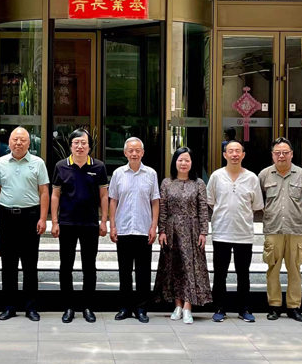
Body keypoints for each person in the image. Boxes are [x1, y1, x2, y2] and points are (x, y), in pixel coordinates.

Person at [0, 127, 49, 322]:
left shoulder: (38, 163)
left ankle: (31, 307)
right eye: (15, 139)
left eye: (22, 140)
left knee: (30, 264)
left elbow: (44, 192)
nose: (18, 143)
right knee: (8, 264)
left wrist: (43, 218)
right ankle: (9, 307)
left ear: (29, 143)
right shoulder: (0, 163)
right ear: (9, 142)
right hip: (7, 217)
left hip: (30, 217)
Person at [51, 128, 109, 323]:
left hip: (90, 224)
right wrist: (55, 222)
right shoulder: (61, 166)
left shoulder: (98, 167)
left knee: (89, 266)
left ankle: (88, 307)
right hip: (67, 223)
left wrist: (104, 221)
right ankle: (68, 307)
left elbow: (104, 196)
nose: (80, 146)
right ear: (70, 146)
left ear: (89, 146)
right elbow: (55, 195)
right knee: (65, 266)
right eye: (76, 143)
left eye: (84, 143)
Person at [258, 137, 302, 322]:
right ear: (272, 155)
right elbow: (259, 200)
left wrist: (294, 212)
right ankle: (274, 306)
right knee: (272, 269)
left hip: (295, 229)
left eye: (285, 152)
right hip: (273, 229)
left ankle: (294, 307)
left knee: (294, 269)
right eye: (278, 153)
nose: (281, 156)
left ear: (291, 154)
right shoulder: (264, 175)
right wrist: (272, 212)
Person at [208, 140, 264, 323]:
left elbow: (256, 205)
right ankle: (219, 308)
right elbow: (211, 202)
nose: (234, 154)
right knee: (220, 273)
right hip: (221, 232)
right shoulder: (216, 176)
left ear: (243, 155)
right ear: (224, 155)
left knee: (243, 274)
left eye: (237, 151)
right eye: (230, 151)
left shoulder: (252, 178)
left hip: (243, 233)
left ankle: (244, 309)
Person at [154, 147, 211, 324]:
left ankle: (188, 306)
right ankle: (177, 305)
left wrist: (203, 232)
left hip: (192, 229)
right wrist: (161, 231)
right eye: (180, 160)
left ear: (192, 163)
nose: (183, 163)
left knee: (190, 268)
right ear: (175, 162)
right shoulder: (166, 183)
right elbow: (163, 208)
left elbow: (203, 209)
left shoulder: (199, 184)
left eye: (187, 160)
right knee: (174, 268)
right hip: (172, 230)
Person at [109, 137, 160, 324]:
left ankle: (141, 308)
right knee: (124, 272)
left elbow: (155, 201)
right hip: (123, 229)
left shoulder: (151, 174)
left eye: (137, 150)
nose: (134, 153)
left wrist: (153, 226)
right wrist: (112, 226)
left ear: (143, 152)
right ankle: (125, 307)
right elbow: (113, 200)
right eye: (130, 150)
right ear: (125, 153)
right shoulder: (118, 174)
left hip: (143, 229)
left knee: (143, 272)